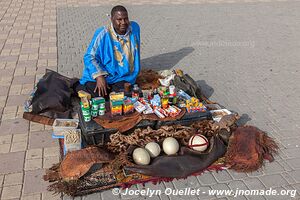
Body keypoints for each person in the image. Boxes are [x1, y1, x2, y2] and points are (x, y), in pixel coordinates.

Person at [76, 5, 140, 97]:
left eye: (126, 19)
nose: (123, 23)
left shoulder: (134, 28)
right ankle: (76, 85)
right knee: (99, 94)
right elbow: (89, 56)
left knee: (126, 95)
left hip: (122, 76)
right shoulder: (102, 33)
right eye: (119, 19)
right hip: (104, 74)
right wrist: (99, 76)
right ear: (111, 19)